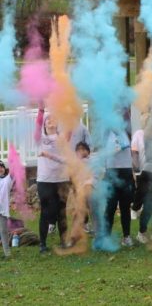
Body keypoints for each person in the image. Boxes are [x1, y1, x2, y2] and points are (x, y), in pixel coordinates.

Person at [34, 107, 90, 253]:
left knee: (61, 211)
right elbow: (38, 122)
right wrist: (41, 109)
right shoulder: (40, 138)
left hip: (61, 180)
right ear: (45, 124)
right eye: (48, 119)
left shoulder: (62, 138)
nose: (50, 120)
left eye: (53, 118)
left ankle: (63, 241)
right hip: (45, 180)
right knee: (46, 211)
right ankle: (43, 244)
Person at [132, 114, 152, 243]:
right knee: (149, 205)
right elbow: (135, 152)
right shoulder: (143, 134)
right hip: (148, 172)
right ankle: (142, 232)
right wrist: (135, 168)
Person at [102, 130, 136, 248]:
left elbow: (129, 153)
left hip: (125, 172)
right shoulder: (106, 133)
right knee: (110, 207)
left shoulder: (126, 132)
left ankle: (126, 236)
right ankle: (106, 238)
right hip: (111, 172)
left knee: (125, 207)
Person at [0, 160, 13, 257]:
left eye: (2, 167)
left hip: (2, 211)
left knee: (3, 231)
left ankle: (7, 253)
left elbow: (14, 172)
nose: (0, 169)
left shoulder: (8, 179)